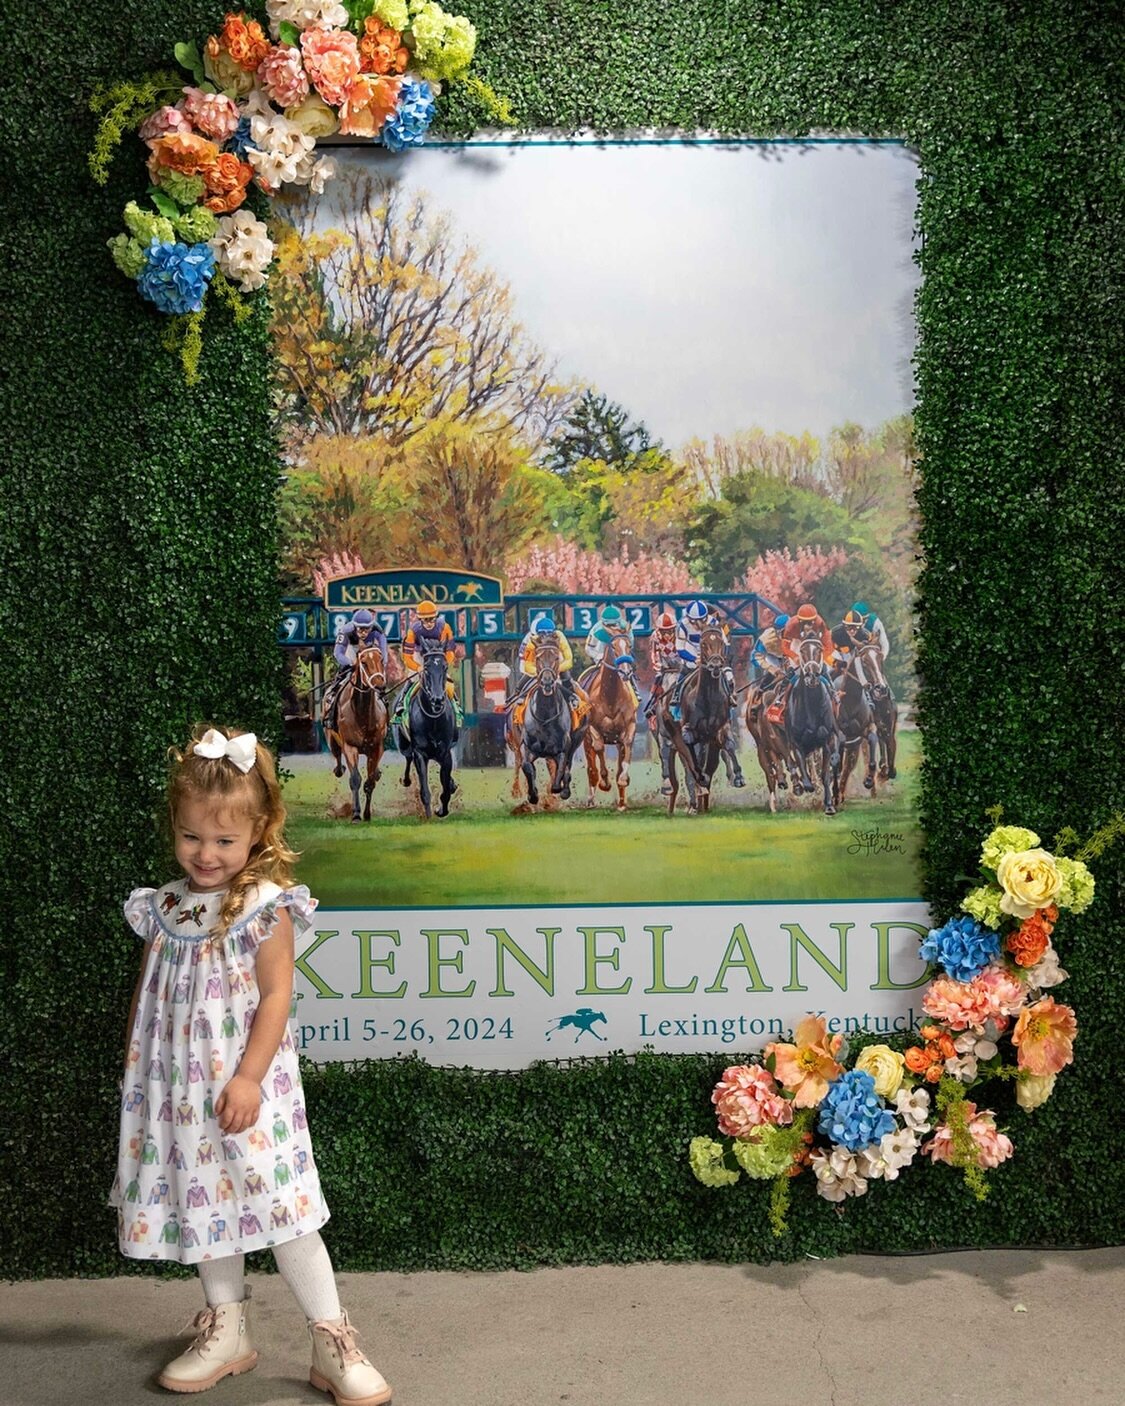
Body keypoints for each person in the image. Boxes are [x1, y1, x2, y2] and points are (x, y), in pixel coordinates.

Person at [112, 726, 391, 1404]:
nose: (205, 855)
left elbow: (275, 998)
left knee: (282, 1206)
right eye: (191, 837)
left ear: (259, 828)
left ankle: (332, 1339)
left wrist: (247, 1077)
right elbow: (150, 994)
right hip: (176, 1091)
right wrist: (139, 1073)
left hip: (247, 1087)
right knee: (202, 1198)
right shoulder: (165, 908)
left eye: (224, 841)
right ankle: (227, 1326)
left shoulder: (266, 909)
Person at [395, 598, 460, 732]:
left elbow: (450, 650)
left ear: (436, 617)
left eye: (432, 619)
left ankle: (456, 705)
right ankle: (401, 703)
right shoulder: (413, 631)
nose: (429, 623)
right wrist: (417, 668)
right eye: (426, 620)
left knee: (445, 679)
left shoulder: (444, 627)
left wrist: (443, 664)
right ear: (420, 619)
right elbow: (407, 657)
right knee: (413, 677)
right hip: (420, 655)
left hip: (438, 655)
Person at [324, 607, 388, 742]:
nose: (363, 632)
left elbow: (384, 653)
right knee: (340, 679)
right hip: (350, 652)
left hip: (369, 652)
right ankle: (331, 711)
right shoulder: (346, 630)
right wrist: (350, 663)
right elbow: (338, 653)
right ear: (355, 626)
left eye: (366, 629)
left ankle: (385, 712)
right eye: (360, 629)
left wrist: (379, 668)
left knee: (379, 681)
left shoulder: (378, 630)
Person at [511, 612, 584, 727]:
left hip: (555, 663)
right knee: (527, 676)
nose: (546, 636)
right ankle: (520, 694)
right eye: (542, 634)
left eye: (549, 633)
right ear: (537, 634)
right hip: (538, 665)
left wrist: (554, 670)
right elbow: (527, 665)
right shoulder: (531, 640)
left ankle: (571, 696)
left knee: (566, 675)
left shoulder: (560, 637)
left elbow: (569, 659)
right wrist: (541, 672)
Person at [583, 603, 640, 703]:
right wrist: (600, 657)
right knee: (589, 675)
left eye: (614, 625)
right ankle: (584, 689)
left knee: (627, 671)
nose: (611, 628)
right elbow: (588, 648)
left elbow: (629, 647)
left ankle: (634, 689)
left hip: (620, 658)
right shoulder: (596, 630)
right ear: (603, 623)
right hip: (601, 657)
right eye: (608, 625)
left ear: (618, 622)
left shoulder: (627, 628)